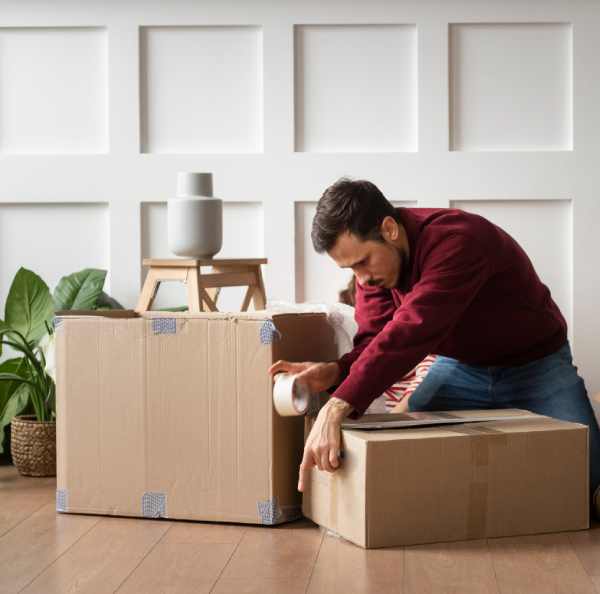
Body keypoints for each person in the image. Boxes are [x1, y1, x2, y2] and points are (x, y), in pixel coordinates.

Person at [268, 177, 600, 516]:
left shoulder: (460, 240)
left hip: (538, 364)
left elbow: (412, 331)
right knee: (406, 457)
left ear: (389, 229)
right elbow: (374, 339)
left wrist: (336, 406)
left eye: (363, 261)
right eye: (351, 268)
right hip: (462, 367)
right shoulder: (376, 273)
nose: (361, 279)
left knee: (589, 477)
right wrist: (335, 370)